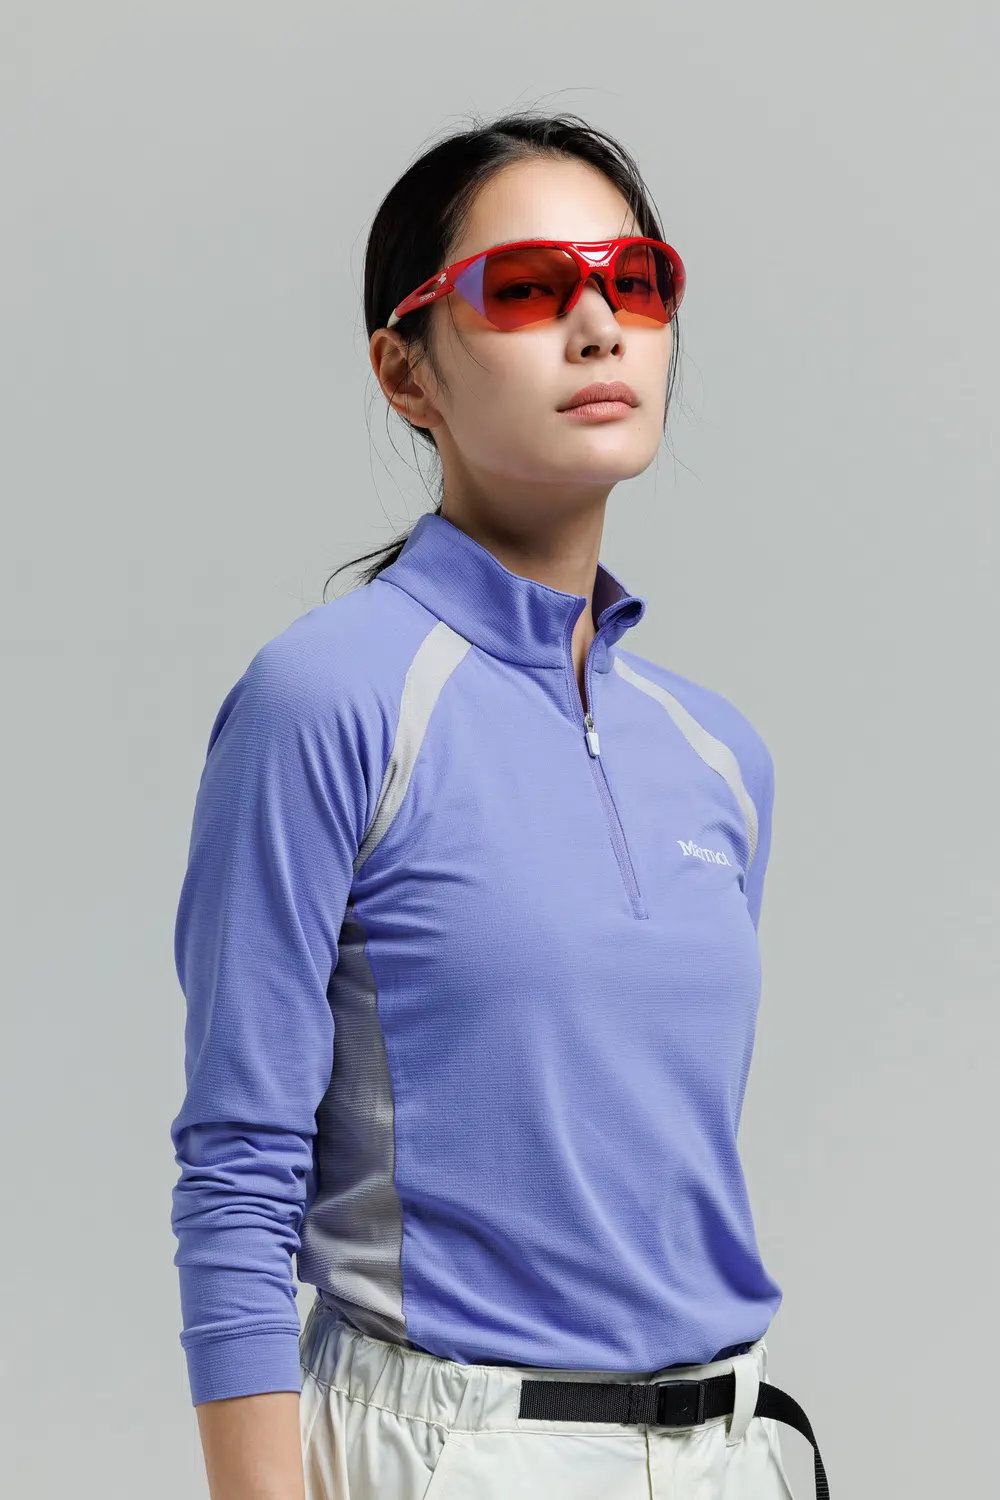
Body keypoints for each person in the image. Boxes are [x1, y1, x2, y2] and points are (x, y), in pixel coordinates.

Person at [170, 110, 829, 1500]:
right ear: (404, 371)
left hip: (731, 1451)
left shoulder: (718, 757)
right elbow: (237, 1173)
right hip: (454, 1453)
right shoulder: (328, 701)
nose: (597, 326)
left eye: (634, 282)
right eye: (527, 288)